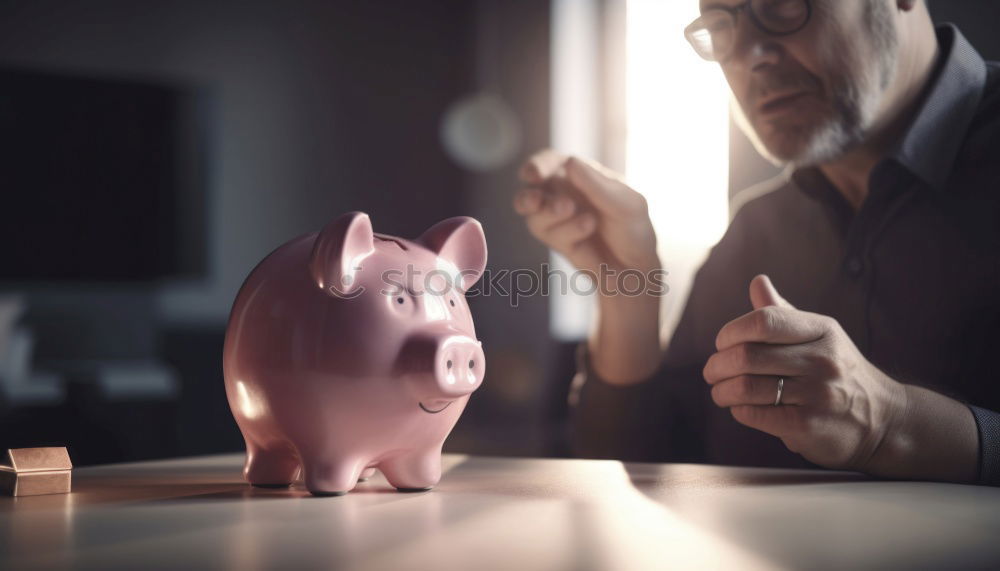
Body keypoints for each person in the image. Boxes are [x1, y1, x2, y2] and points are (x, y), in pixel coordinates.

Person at [513, 0, 1000, 485]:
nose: (747, 56)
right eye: (720, 27)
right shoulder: (753, 234)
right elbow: (640, 464)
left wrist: (892, 425)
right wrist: (629, 295)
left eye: (783, 7)